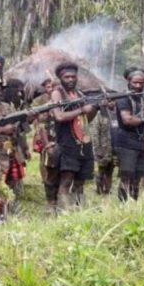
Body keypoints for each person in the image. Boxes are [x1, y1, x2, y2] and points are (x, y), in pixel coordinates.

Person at [50, 62, 97, 210]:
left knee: (80, 181)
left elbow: (86, 120)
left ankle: (79, 212)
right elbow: (59, 116)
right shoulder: (57, 93)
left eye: (73, 77)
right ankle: (64, 213)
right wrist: (82, 110)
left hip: (83, 142)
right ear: (60, 78)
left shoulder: (80, 94)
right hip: (67, 144)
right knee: (66, 180)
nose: (70, 79)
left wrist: (95, 108)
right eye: (67, 77)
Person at [114, 67, 144, 202]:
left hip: (139, 142)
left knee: (138, 177)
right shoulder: (123, 98)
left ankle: (134, 206)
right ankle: (123, 207)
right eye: (135, 82)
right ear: (128, 81)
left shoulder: (142, 99)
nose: (138, 86)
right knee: (127, 176)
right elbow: (127, 120)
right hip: (126, 143)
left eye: (141, 83)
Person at [32, 78, 60, 211]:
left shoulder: (63, 97)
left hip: (62, 138)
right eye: (48, 87)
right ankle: (50, 201)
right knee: (48, 168)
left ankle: (60, 198)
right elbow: (37, 120)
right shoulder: (39, 101)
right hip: (46, 138)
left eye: (53, 87)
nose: (51, 89)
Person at [92, 100, 116, 196]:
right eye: (109, 101)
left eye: (113, 101)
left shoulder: (117, 113)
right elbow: (95, 133)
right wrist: (97, 149)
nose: (111, 103)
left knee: (110, 170)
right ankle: (99, 189)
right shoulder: (100, 114)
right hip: (103, 148)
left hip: (114, 147)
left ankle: (108, 190)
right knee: (101, 170)